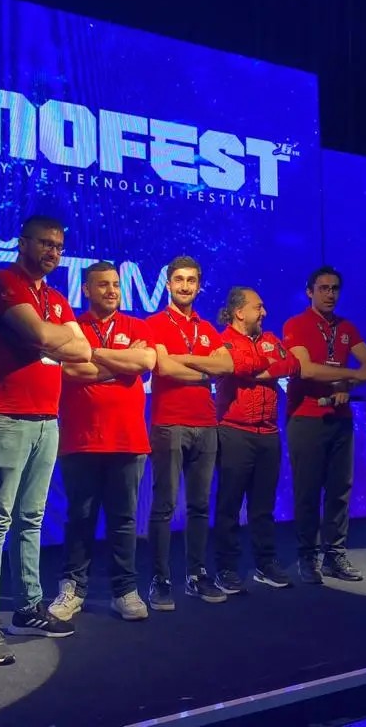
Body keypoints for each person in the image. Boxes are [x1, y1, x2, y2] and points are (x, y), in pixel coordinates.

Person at [0, 215, 91, 665]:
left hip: (46, 421)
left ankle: (28, 608)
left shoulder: (55, 297)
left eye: (58, 246)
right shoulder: (4, 283)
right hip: (3, 419)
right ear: (22, 243)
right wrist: (55, 339)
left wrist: (57, 341)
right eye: (44, 243)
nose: (53, 252)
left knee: (31, 520)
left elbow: (83, 350)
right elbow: (41, 335)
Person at [46, 262, 156, 623]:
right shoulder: (71, 330)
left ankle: (124, 591)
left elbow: (145, 360)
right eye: (103, 285)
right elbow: (68, 370)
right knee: (80, 518)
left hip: (128, 441)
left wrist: (92, 355)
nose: (111, 291)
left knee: (123, 520)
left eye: (116, 285)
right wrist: (122, 366)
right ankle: (73, 590)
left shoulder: (137, 327)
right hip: (81, 441)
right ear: (86, 290)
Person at [144, 256, 238, 609]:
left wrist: (184, 361)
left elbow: (226, 365)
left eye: (192, 280)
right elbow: (164, 368)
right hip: (169, 423)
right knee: (164, 505)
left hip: (206, 424)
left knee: (199, 506)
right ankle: (160, 579)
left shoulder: (207, 327)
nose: (185, 286)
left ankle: (196, 575)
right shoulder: (154, 324)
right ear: (168, 284)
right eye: (179, 279)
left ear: (199, 286)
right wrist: (203, 370)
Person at [283, 266, 366, 585]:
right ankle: (308, 556)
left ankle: (334, 554)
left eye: (335, 288)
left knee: (340, 489)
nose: (330, 294)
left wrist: (345, 387)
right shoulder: (296, 325)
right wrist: (352, 376)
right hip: (305, 418)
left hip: (340, 419)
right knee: (308, 491)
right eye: (323, 288)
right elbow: (307, 370)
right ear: (309, 291)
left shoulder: (346, 327)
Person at [207, 287, 301, 594]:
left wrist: (256, 369)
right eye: (258, 307)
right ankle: (226, 568)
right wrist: (265, 363)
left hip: (269, 433)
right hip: (234, 432)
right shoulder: (222, 342)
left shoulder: (270, 339)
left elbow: (291, 364)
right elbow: (235, 364)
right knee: (229, 505)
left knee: (263, 506)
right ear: (239, 312)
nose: (264, 313)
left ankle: (265, 563)